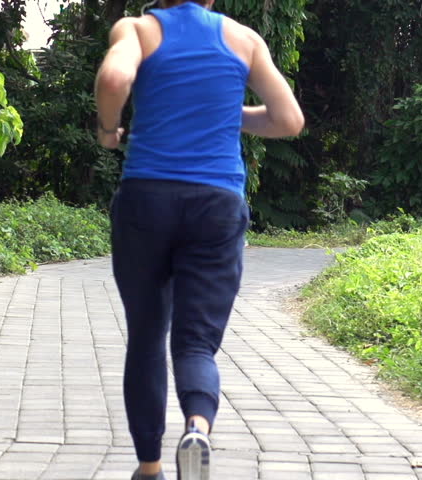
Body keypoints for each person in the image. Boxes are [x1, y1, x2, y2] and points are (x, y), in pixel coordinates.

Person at [94, 0, 303, 479]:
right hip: (216, 205)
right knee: (195, 345)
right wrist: (231, 112)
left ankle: (149, 467)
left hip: (146, 199)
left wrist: (109, 132)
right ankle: (197, 428)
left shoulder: (139, 29)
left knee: (147, 337)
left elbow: (112, 80)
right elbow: (288, 120)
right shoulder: (243, 40)